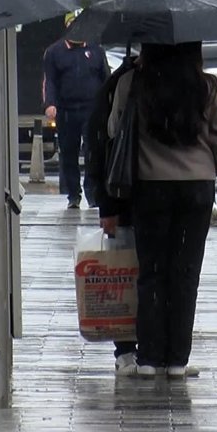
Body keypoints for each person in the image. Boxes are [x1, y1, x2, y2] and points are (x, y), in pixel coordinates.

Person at [107, 42, 217, 378]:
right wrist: (210, 161)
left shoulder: (132, 84)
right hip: (196, 188)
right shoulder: (207, 86)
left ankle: (150, 357)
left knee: (151, 271)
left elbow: (113, 130)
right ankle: (177, 359)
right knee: (185, 272)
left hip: (149, 186)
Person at [86, 54, 140, 375]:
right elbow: (101, 144)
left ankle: (141, 346)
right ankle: (125, 349)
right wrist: (106, 205)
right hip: (124, 196)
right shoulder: (122, 84)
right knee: (124, 275)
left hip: (141, 196)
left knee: (144, 274)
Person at [43, 9, 110, 209]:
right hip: (67, 109)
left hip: (92, 108)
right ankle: (73, 194)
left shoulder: (96, 50)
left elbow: (105, 78)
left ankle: (92, 192)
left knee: (92, 150)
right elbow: (50, 81)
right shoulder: (54, 52)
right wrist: (50, 104)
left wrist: (108, 103)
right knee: (68, 152)